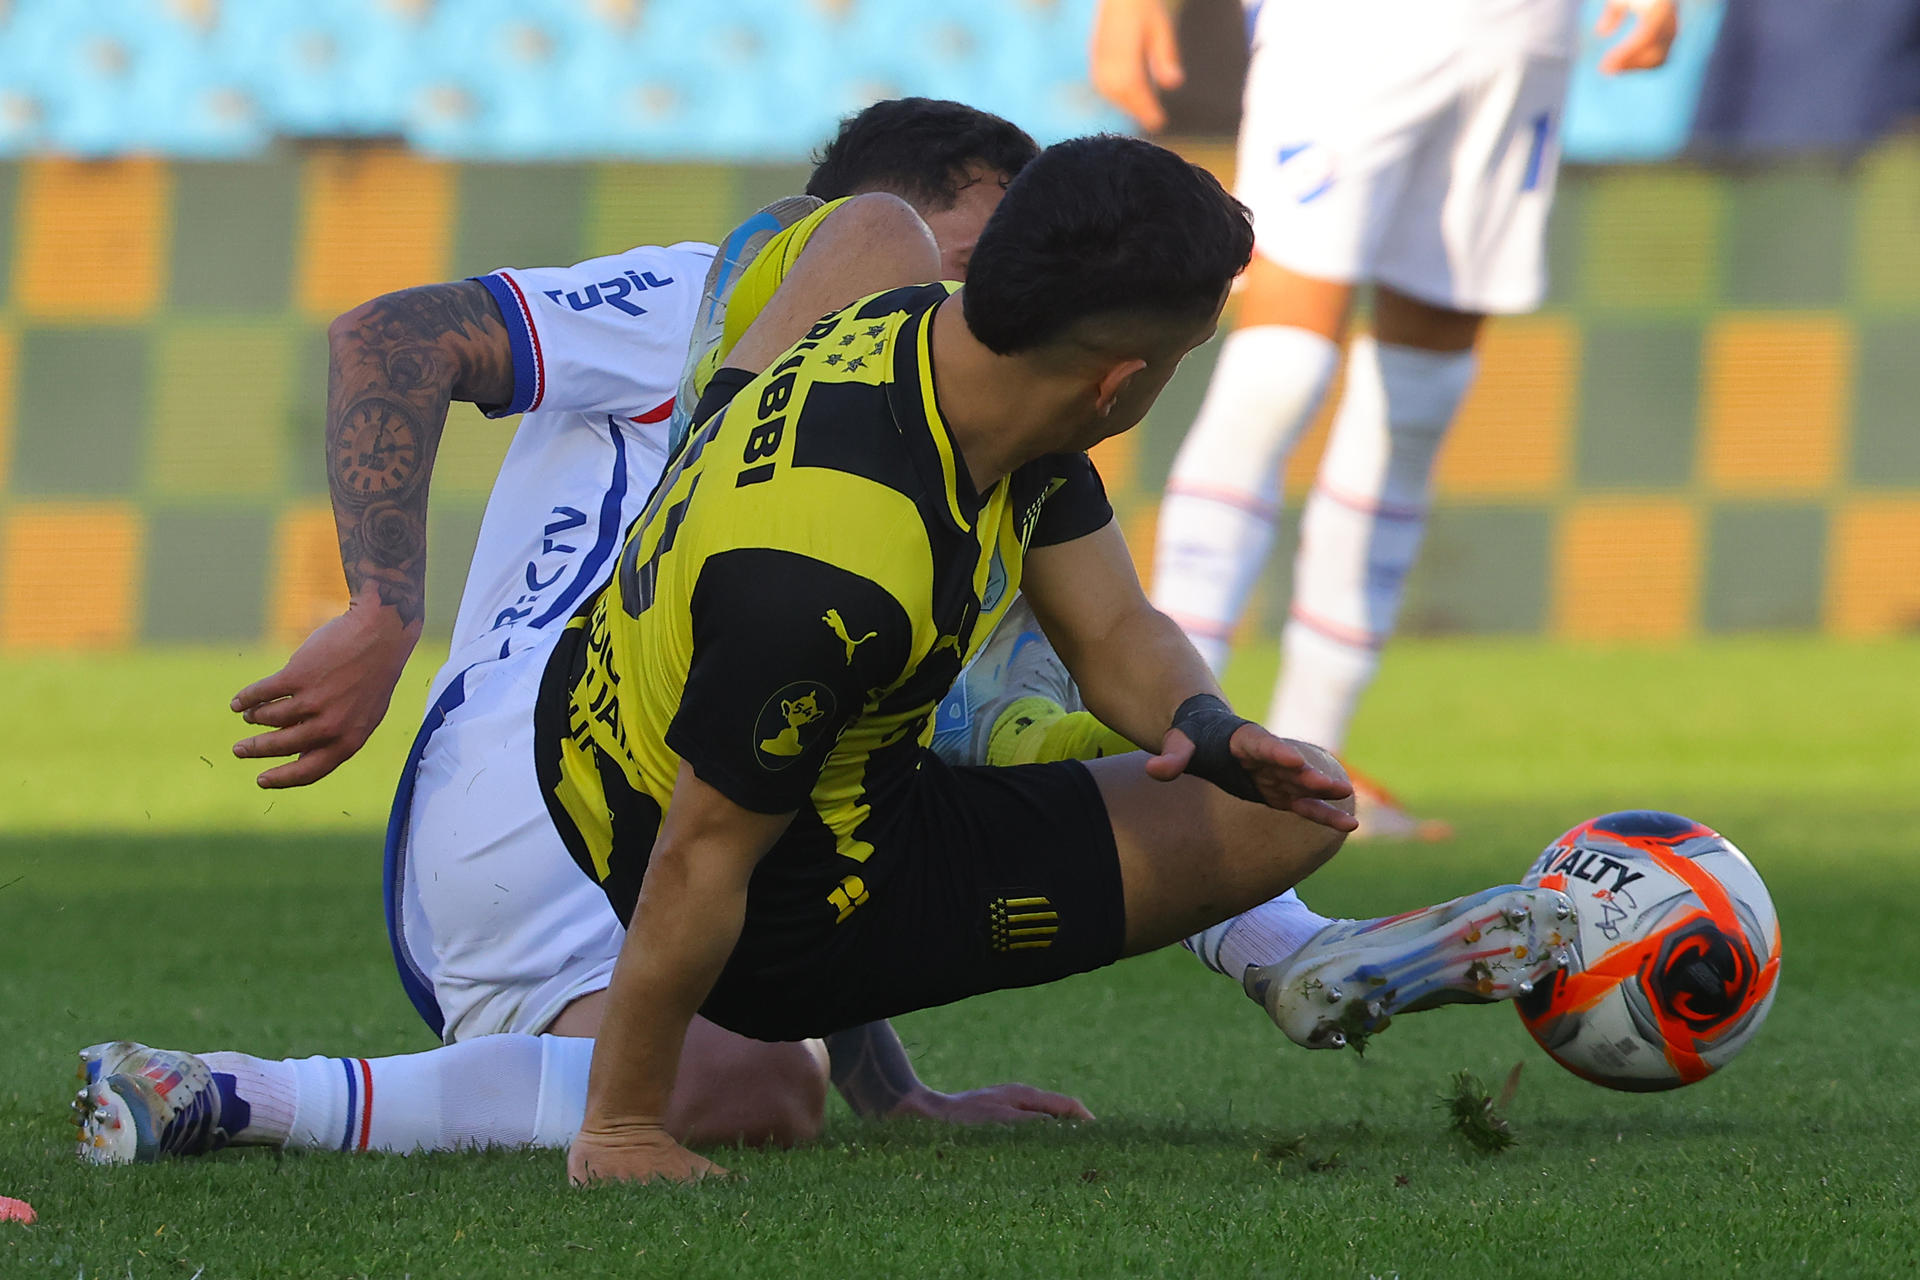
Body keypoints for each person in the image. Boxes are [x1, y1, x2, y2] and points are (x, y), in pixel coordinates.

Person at [516, 131, 1572, 1186]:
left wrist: (1212, 730)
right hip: (759, 887)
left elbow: (1114, 630)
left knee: (1278, 802)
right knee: (836, 746)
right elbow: (698, 859)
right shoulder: (832, 578)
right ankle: (608, 1110)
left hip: (669, 691)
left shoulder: (943, 341)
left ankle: (1250, 921)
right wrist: (624, 1129)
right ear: (1119, 382)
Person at [73, 102, 1106, 1169]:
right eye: (976, 253)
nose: (983, 300)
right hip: (543, 760)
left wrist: (893, 1093)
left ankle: (207, 1091)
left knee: (753, 1084)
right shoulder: (697, 296)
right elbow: (394, 334)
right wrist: (381, 609)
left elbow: (806, 745)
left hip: (669, 805)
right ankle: (250, 1091)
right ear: (866, 222)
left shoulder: (945, 429)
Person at [1092, 0, 1678, 838]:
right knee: (1279, 367)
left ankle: (1315, 758)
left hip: (1518, 31)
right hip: (1351, 28)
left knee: (1419, 397)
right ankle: (1171, 733)